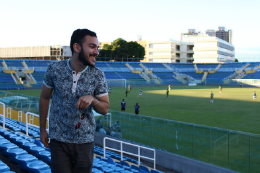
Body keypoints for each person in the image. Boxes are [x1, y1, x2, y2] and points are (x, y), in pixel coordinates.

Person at [39, 29, 109, 173]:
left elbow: (104, 108)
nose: (97, 52)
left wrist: (93, 99)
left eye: (97, 47)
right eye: (92, 46)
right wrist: (42, 130)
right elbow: (44, 97)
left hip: (85, 142)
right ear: (76, 47)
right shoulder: (54, 69)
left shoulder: (98, 75)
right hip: (58, 140)